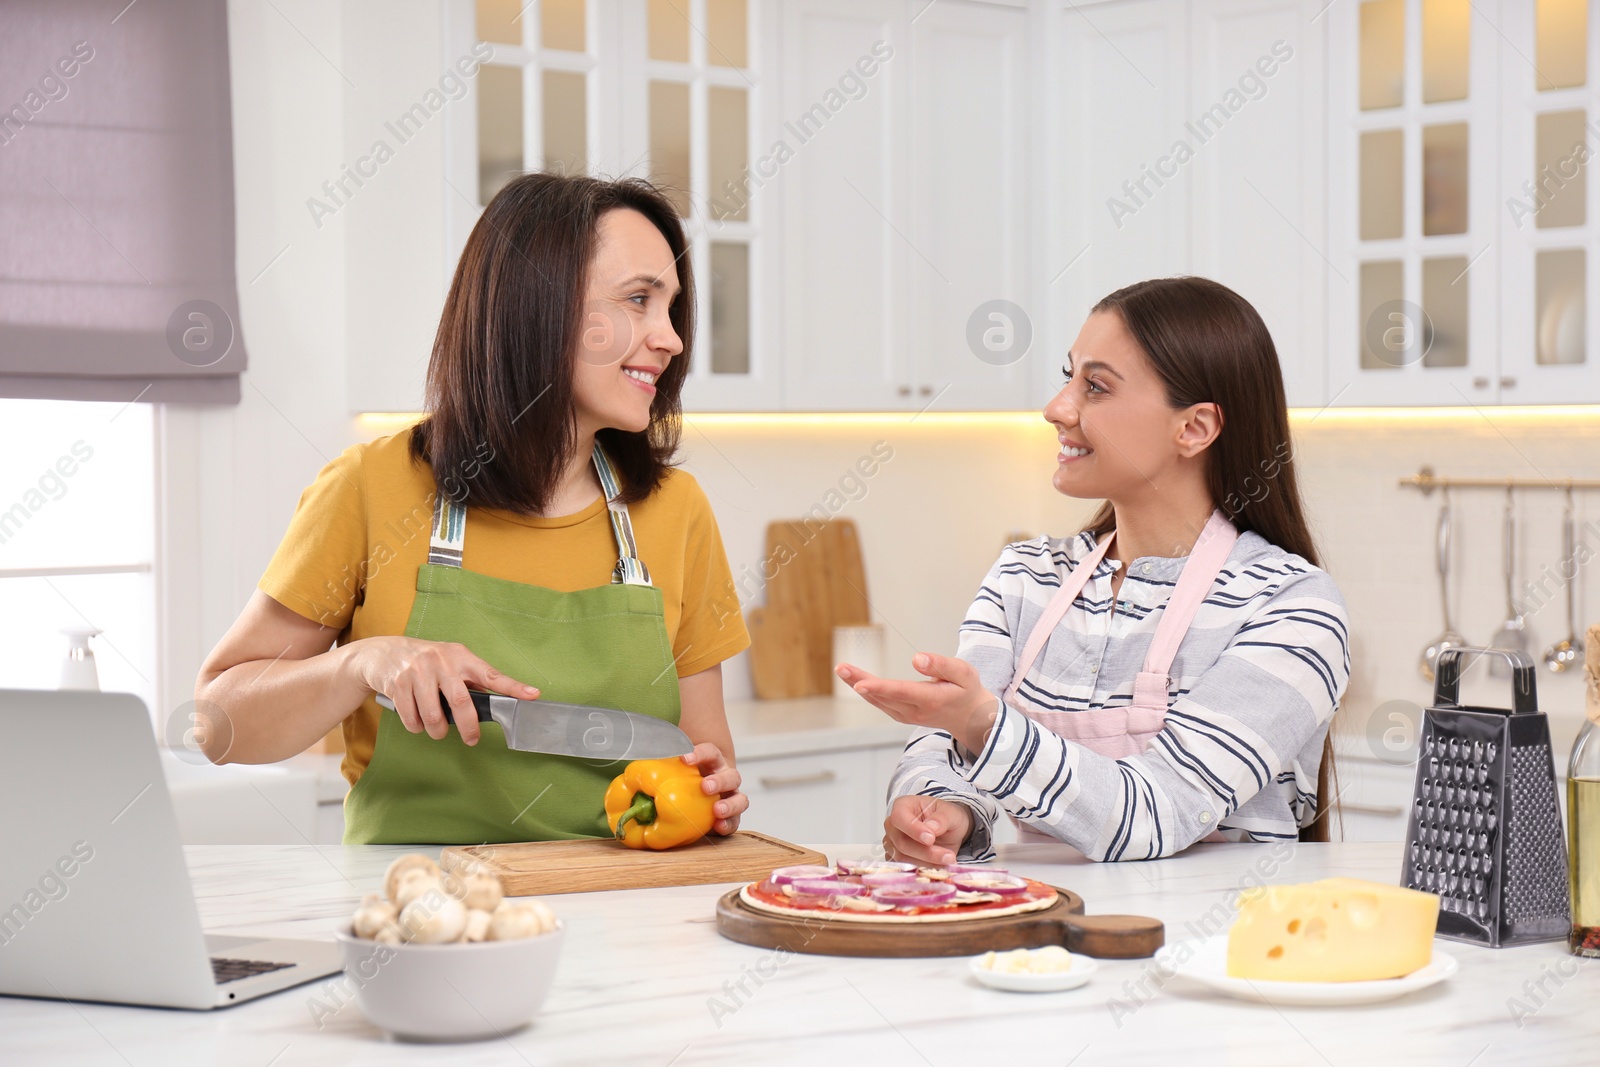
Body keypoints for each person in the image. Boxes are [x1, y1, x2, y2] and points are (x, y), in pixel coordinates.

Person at [194, 173, 751, 844]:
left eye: (671, 309)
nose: (672, 339)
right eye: (639, 300)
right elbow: (217, 726)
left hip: (621, 907)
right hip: (417, 918)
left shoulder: (676, 512)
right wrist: (361, 662)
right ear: (536, 306)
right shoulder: (370, 488)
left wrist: (715, 793)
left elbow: (705, 758)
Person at [837, 276, 1348, 863]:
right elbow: (944, 743)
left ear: (1194, 429)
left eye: (1096, 387)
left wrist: (983, 723)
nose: (1057, 408)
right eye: (1068, 377)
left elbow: (1158, 814)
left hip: (1218, 945)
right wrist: (941, 808)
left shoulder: (1291, 605)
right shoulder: (1025, 577)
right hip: (1050, 942)